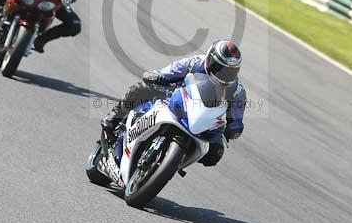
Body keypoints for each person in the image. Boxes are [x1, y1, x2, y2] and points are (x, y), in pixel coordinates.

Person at [100, 40, 246, 167]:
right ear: (209, 60)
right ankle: (112, 120)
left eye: (229, 72)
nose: (223, 75)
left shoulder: (237, 90)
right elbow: (167, 72)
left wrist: (234, 128)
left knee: (216, 152)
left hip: (203, 120)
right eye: (219, 68)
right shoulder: (194, 63)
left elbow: (237, 119)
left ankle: (175, 159)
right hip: (174, 100)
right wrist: (157, 77)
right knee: (140, 89)